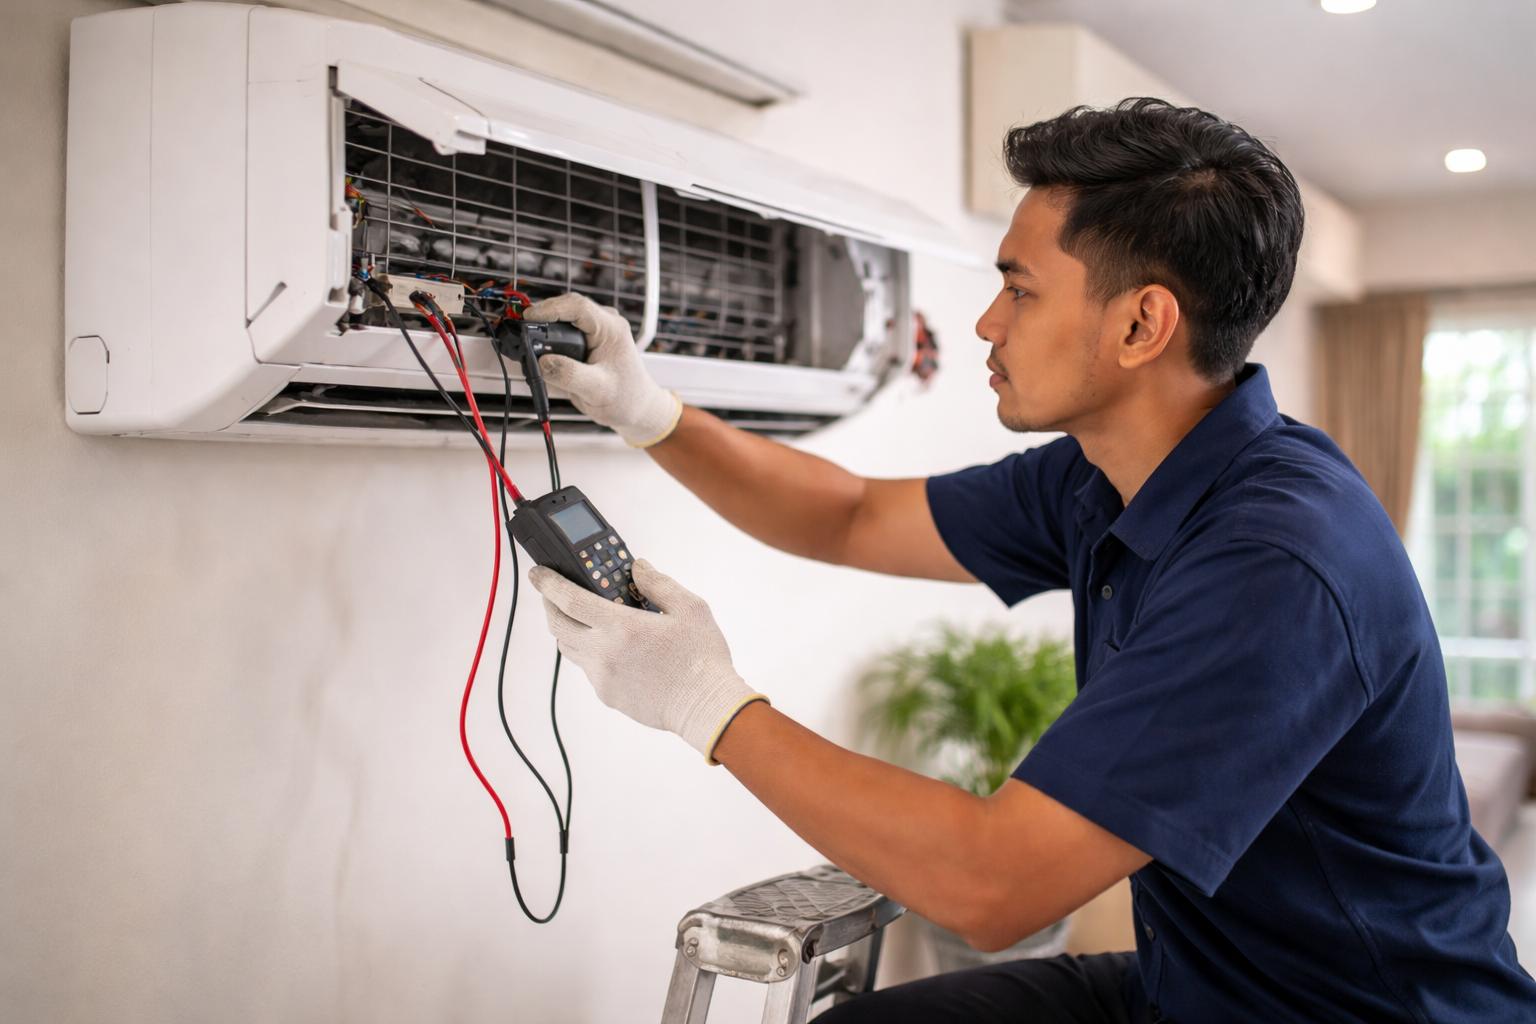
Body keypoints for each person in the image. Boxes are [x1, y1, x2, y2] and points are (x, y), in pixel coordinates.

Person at [522, 98, 1536, 1022]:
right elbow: (852, 515)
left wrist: (706, 702)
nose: (987, 322)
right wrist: (647, 412)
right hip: (1200, 988)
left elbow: (992, 885)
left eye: (1020, 289)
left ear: (1141, 324)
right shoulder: (1108, 471)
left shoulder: (1277, 564)